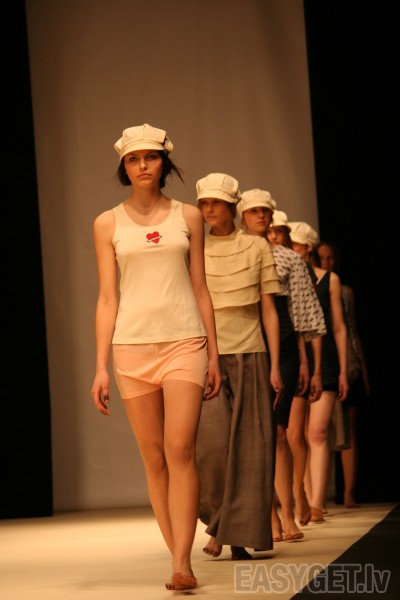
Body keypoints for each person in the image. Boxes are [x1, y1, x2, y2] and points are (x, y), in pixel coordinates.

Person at [90, 123, 221, 592]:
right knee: (153, 458)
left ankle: (182, 562)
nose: (142, 165)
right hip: (131, 347)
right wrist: (100, 366)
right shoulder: (107, 223)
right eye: (133, 158)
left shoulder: (189, 216)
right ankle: (177, 556)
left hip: (185, 341)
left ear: (164, 161)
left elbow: (200, 287)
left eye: (150, 156)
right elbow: (107, 297)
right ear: (124, 167)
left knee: (180, 449)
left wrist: (214, 355)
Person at [195, 174, 283, 560]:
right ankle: (220, 524)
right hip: (207, 355)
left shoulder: (256, 246)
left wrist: (275, 365)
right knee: (212, 449)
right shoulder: (194, 248)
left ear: (231, 206)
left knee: (252, 449)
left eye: (215, 202)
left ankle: (232, 537)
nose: (208, 209)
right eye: (203, 203)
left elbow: (268, 308)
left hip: (251, 352)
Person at [238, 195, 326, 542]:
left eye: (266, 211)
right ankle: (269, 514)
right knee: (253, 435)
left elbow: (302, 311)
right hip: (246, 340)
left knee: (278, 430)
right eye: (254, 210)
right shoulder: (235, 252)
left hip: (286, 345)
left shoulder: (289, 258)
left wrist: (306, 363)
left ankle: (287, 513)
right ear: (242, 215)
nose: (261, 216)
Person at [289, 221, 349, 523]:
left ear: (307, 247)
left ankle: (316, 501)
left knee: (317, 431)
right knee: (297, 434)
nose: (291, 249)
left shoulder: (329, 279)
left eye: (296, 245)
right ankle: (306, 498)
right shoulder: (286, 275)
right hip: (297, 359)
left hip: (324, 361)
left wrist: (343, 371)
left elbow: (338, 327)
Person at [313, 241, 370, 508]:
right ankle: (318, 496)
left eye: (331, 258)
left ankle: (348, 492)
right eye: (322, 257)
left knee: (348, 427)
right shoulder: (313, 284)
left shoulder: (344, 290)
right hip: (323, 358)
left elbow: (350, 328)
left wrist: (361, 368)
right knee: (319, 430)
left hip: (346, 360)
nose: (327, 262)